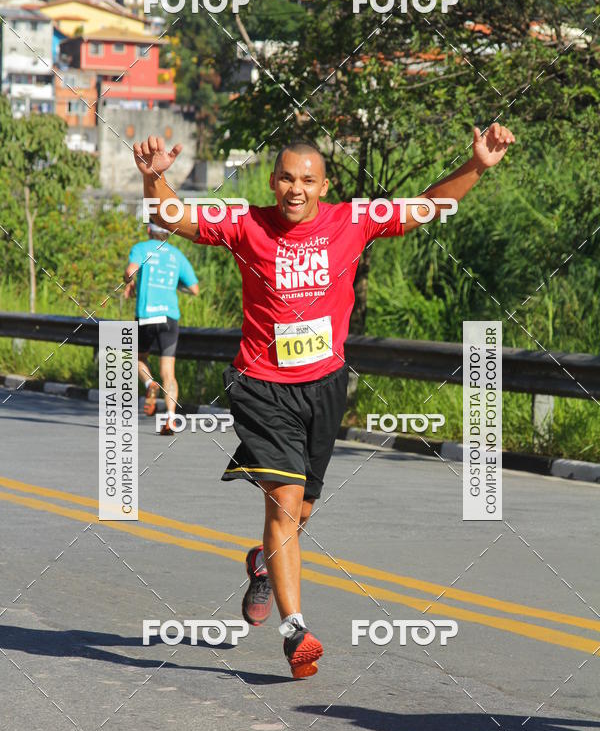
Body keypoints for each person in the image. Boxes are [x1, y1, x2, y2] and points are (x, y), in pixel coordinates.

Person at [132, 124, 515, 676]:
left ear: (323, 185)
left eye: (307, 180)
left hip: (325, 385)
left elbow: (426, 207)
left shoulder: (350, 221)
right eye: (286, 178)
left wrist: (476, 166)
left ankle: (263, 565)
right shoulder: (246, 222)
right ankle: (295, 631)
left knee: (301, 511)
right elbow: (180, 220)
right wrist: (153, 180)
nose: (295, 189)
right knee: (285, 503)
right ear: (273, 180)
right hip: (261, 385)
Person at [123, 222, 199, 435]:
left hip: (146, 316)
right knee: (169, 372)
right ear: (168, 233)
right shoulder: (177, 255)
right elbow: (194, 289)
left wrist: (128, 282)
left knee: (137, 358)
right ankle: (171, 419)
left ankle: (149, 384)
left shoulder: (142, 248)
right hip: (169, 317)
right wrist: (174, 285)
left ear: (149, 231)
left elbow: (131, 271)